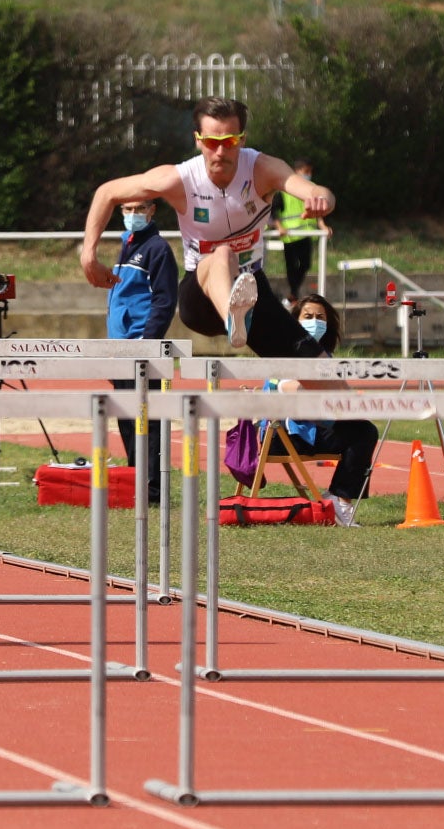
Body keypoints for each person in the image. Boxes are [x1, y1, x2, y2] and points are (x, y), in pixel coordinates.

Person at [80, 95, 335, 359]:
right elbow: (106, 192)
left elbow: (315, 190)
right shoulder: (180, 178)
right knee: (223, 254)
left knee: (322, 371)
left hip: (251, 290)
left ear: (242, 140)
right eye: (212, 143)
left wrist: (322, 200)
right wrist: (88, 255)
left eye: (229, 142)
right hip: (199, 297)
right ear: (198, 141)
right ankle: (232, 317)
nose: (221, 152)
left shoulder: (262, 169)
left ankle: (241, 318)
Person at [265, 294, 377, 527]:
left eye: (320, 317)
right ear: (295, 320)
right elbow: (288, 389)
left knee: (363, 429)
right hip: (284, 435)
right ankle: (338, 501)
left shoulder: (327, 358)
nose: (314, 321)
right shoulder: (282, 352)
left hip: (312, 430)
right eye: (308, 316)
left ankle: (337, 498)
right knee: (362, 433)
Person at [104, 198, 179, 503]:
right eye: (127, 209)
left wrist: (147, 343)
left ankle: (152, 488)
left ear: (151, 211)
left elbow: (164, 301)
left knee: (149, 419)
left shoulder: (157, 249)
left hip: (141, 347)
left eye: (139, 208)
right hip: (119, 347)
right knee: (126, 416)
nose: (132, 214)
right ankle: (135, 480)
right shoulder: (126, 244)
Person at [274, 157, 331, 307]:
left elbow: (317, 210)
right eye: (306, 171)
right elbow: (274, 210)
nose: (308, 174)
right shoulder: (283, 189)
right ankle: (293, 295)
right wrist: (279, 226)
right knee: (291, 267)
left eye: (310, 171)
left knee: (305, 264)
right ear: (297, 171)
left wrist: (322, 225)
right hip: (290, 236)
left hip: (307, 233)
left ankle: (292, 295)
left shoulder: (312, 188)